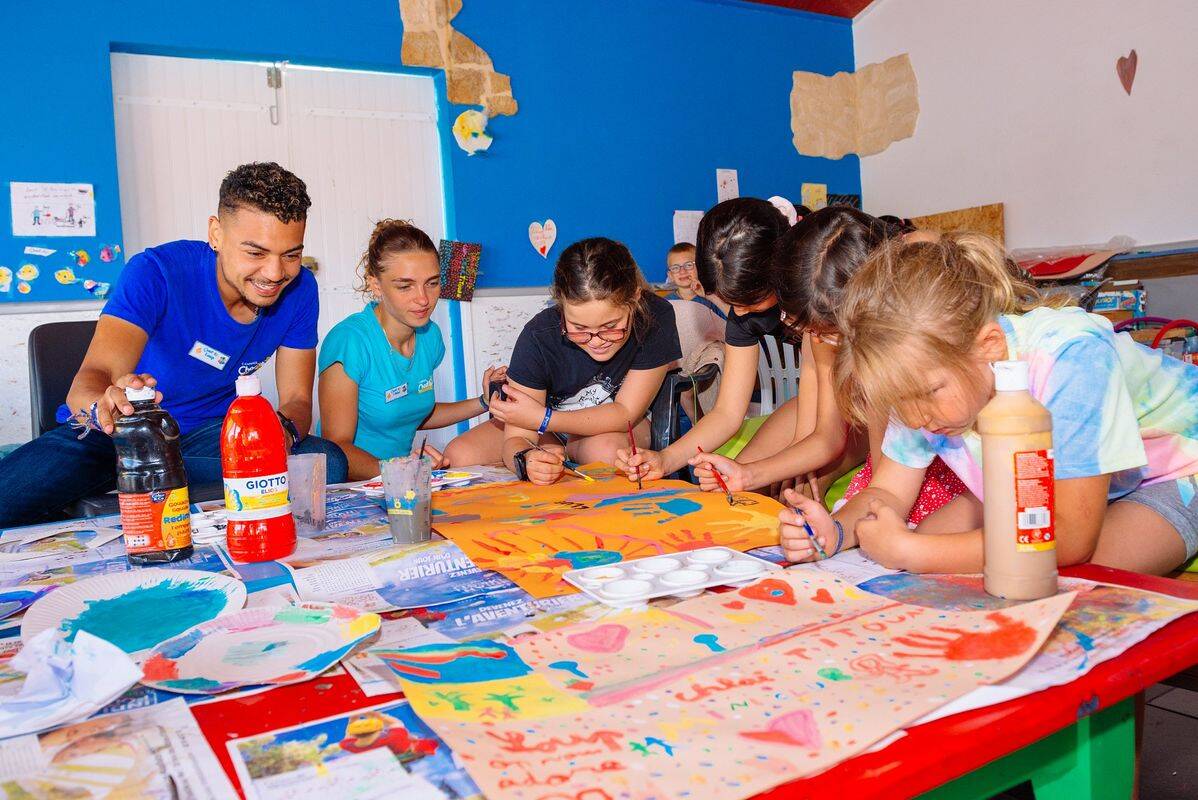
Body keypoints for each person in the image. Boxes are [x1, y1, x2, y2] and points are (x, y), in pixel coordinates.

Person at [781, 232, 1198, 576]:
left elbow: (1069, 537)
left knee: (1061, 575)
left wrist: (911, 552)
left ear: (990, 346)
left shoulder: (1072, 355)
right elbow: (888, 491)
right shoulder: (924, 379)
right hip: (1045, 481)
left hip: (1175, 469)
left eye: (928, 393)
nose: (914, 417)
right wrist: (834, 531)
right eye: (898, 402)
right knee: (936, 543)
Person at [0, 162, 347, 528]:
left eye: (290, 255)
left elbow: (297, 401)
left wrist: (283, 432)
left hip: (210, 439)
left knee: (327, 461)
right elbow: (91, 380)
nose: (276, 273)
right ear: (216, 234)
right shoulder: (157, 272)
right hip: (119, 435)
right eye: (255, 253)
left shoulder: (301, 290)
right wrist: (105, 406)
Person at [693, 207, 974, 529]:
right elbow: (825, 435)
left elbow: (885, 484)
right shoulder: (824, 324)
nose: (740, 313)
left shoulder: (919, 284)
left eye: (826, 332)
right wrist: (755, 473)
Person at [443, 237, 681, 484]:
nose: (596, 340)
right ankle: (557, 458)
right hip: (545, 431)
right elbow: (518, 436)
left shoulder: (655, 317)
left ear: (635, 298)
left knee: (608, 455)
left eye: (611, 326)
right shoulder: (538, 337)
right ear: (561, 307)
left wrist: (544, 418)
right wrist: (526, 459)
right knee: (459, 456)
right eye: (579, 327)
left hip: (611, 426)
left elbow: (626, 413)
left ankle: (570, 461)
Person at [616, 198, 795, 485]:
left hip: (863, 401)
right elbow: (726, 412)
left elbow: (825, 419)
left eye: (750, 301)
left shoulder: (817, 304)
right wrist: (666, 459)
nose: (739, 313)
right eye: (730, 302)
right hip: (812, 407)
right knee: (732, 478)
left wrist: (760, 472)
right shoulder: (742, 314)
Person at [318, 219, 503, 481]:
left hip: (403, 483)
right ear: (376, 285)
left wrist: (484, 402)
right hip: (350, 487)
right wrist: (401, 471)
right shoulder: (349, 341)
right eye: (405, 286)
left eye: (432, 282)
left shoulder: (431, 337)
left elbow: (412, 412)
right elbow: (337, 449)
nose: (423, 299)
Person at [663, 242, 728, 319]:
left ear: (700, 267)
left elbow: (731, 321)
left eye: (689, 265)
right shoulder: (666, 303)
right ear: (670, 275)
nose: (682, 271)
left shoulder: (712, 299)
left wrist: (711, 297)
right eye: (675, 268)